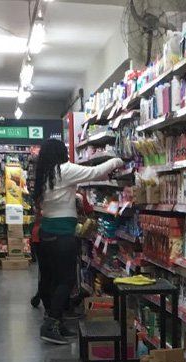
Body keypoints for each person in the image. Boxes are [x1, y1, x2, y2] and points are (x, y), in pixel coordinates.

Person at [33, 138, 124, 344]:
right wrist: (117, 160)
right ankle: (51, 324)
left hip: (47, 233)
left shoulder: (45, 174)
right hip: (62, 234)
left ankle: (57, 323)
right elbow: (95, 172)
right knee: (66, 280)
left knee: (55, 279)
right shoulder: (63, 170)